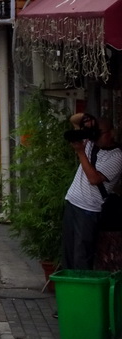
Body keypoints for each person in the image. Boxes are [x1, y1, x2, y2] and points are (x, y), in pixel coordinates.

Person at [62, 112, 121, 270]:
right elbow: (73, 119)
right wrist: (89, 120)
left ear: (111, 133)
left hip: (89, 209)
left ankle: (82, 292)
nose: (96, 137)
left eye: (99, 133)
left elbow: (93, 179)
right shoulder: (89, 141)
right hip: (72, 203)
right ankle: (69, 289)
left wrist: (80, 152)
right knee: (68, 252)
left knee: (81, 255)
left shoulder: (117, 156)